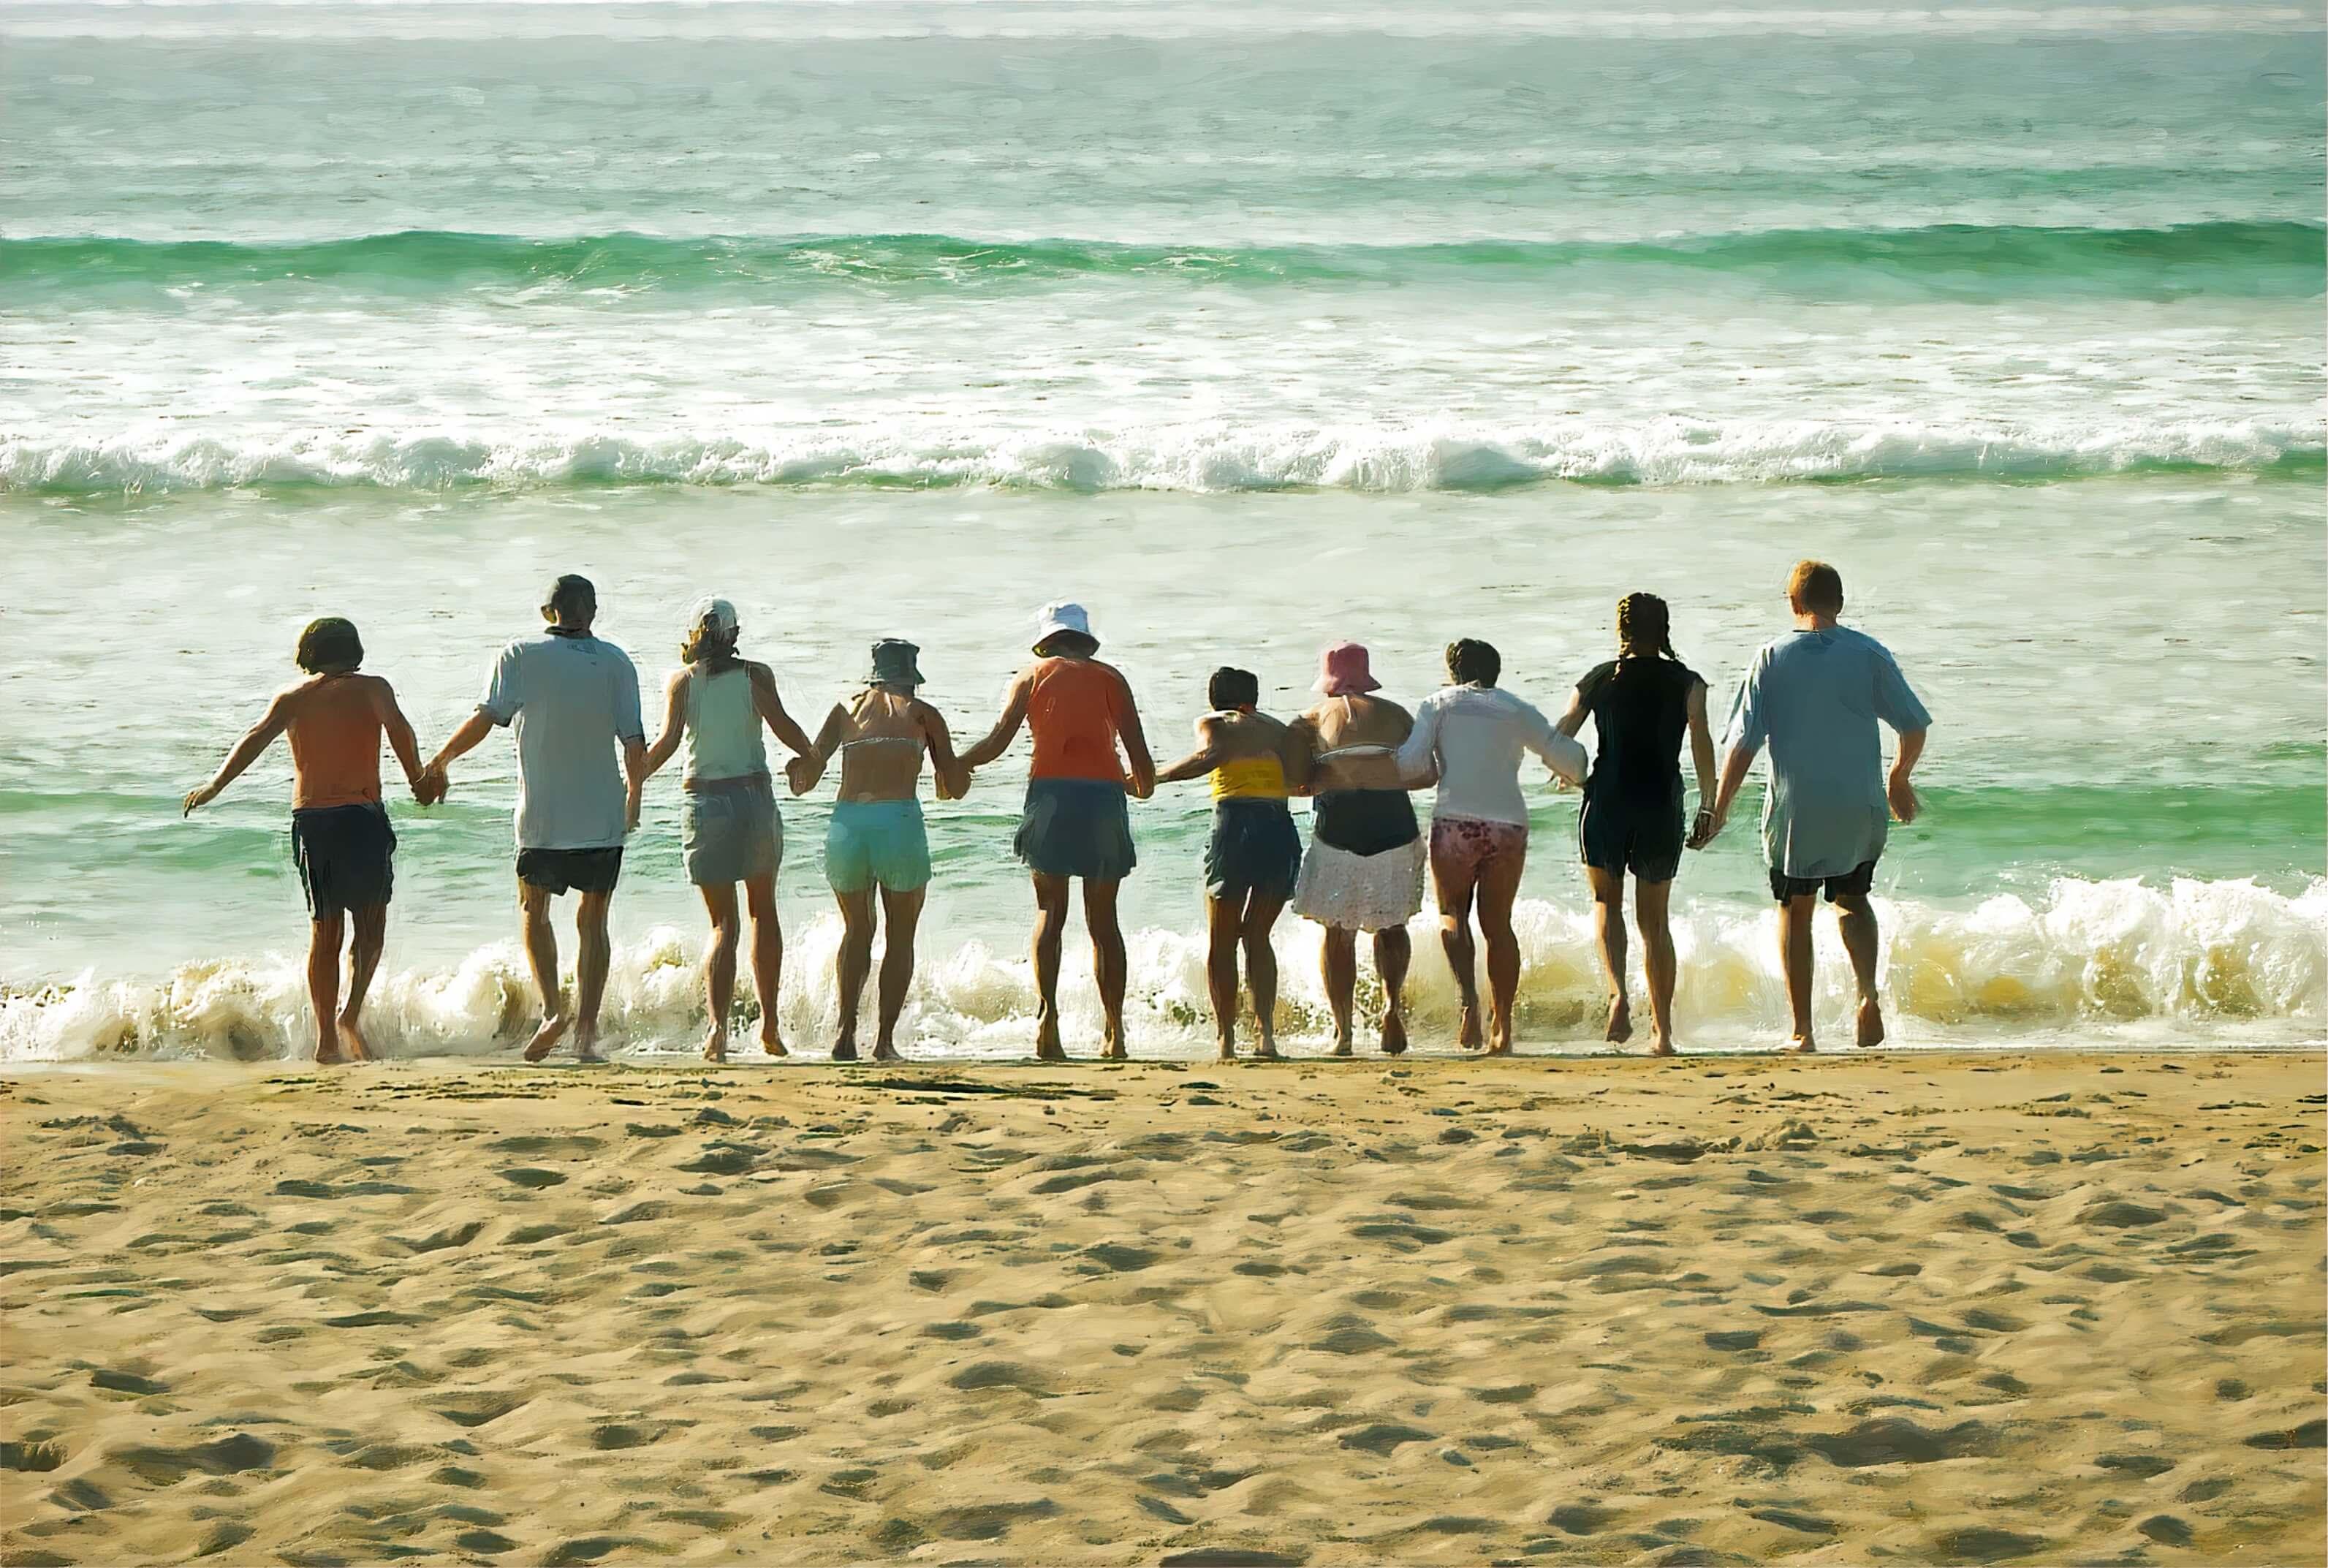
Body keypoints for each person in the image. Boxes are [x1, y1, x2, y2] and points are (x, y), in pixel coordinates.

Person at [1701, 560, 1931, 1053]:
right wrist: (1899, 776)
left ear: (1793, 603)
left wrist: (1719, 808)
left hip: (1796, 809)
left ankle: (1803, 1031)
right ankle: (1866, 993)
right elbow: (1912, 726)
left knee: (1795, 910)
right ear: (1839, 604)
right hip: (1857, 803)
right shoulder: (1868, 653)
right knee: (1852, 898)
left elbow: (1742, 746)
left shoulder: (1770, 656)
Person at [184, 618, 434, 1064]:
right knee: (367, 925)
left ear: (310, 653)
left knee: (327, 929)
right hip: (356, 817)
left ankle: (333, 1032)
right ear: (354, 650)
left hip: (317, 821)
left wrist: (215, 787)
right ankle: (343, 1020)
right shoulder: (361, 690)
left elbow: (252, 740)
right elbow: (399, 730)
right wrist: (417, 777)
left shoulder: (310, 696)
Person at [422, 575, 645, 1064]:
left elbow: (487, 717)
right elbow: (634, 742)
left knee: (535, 912)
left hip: (542, 817)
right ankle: (585, 1032)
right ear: (592, 610)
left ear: (550, 612)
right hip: (600, 814)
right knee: (594, 921)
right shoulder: (616, 662)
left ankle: (552, 1011)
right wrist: (635, 797)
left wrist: (440, 760)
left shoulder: (519, 656)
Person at [956, 602, 1156, 1061]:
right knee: (1104, 921)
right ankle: (1115, 1031)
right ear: (1085, 640)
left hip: (1049, 797)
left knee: (1050, 912)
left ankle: (1048, 1021)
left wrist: (960, 762)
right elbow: (1138, 756)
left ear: (1047, 641)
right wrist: (1139, 785)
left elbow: (997, 741)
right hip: (1104, 799)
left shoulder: (1031, 676)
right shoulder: (1112, 678)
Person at [634, 598, 815, 1064]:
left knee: (723, 925)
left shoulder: (683, 682)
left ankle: (717, 1031)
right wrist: (812, 757)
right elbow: (782, 726)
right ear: (734, 635)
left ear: (696, 634)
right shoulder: (756, 676)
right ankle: (770, 1024)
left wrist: (631, 785)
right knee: (762, 914)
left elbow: (668, 744)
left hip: (704, 802)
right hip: (752, 797)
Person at [1395, 638, 1586, 1055]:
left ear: (1453, 672)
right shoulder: (1515, 708)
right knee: (1498, 926)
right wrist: (1584, 772)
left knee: (1453, 917)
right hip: (1508, 824)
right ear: (1497, 672)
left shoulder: (1438, 704)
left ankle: (1469, 1002)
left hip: (1455, 823)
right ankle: (1504, 1025)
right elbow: (1567, 758)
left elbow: (1409, 763)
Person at [792, 638, 967, 1063]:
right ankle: (885, 1042)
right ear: (912, 678)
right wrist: (961, 770)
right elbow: (954, 788)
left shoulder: (843, 711)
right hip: (899, 824)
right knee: (900, 936)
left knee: (856, 931)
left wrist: (796, 766)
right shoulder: (923, 714)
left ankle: (845, 1032)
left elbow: (805, 781)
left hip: (847, 825)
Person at [1555, 593, 1715, 1058]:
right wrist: (1709, 804)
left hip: (1606, 801)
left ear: (1621, 631)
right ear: (1662, 629)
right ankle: (1662, 1033)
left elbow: (1558, 736)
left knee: (1608, 903)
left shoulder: (1598, 679)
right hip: (1659, 804)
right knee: (1655, 921)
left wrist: (1570, 774)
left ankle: (1618, 995)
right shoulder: (1688, 682)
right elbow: (1701, 745)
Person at [1156, 667, 1305, 1061]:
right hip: (1279, 827)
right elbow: (1302, 780)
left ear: (1212, 699)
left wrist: (1156, 776)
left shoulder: (1213, 722)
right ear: (1253, 699)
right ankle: (1266, 1036)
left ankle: (1225, 1040)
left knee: (1222, 940)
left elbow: (1211, 757)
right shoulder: (1277, 728)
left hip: (1235, 826)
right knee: (1258, 937)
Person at [1288, 642, 1424, 1056]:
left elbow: (1297, 784)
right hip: (1394, 820)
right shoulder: (1398, 714)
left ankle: (1343, 1032)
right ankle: (1391, 1007)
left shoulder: (1309, 720)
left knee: (1338, 931)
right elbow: (1423, 770)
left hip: (1340, 823)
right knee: (1393, 923)